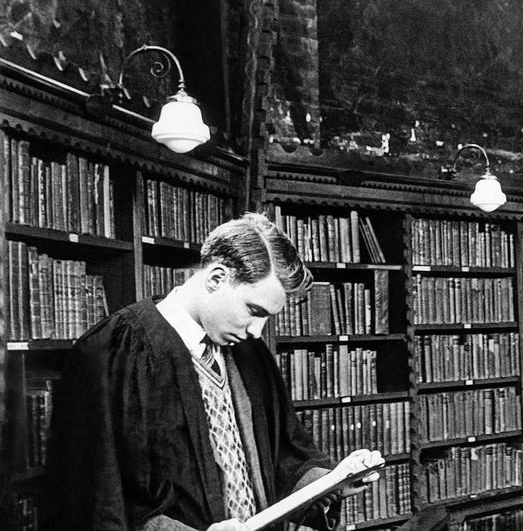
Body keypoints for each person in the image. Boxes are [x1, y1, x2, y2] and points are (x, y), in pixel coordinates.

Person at [41, 213, 381, 531]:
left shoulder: (249, 352)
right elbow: (98, 500)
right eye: (253, 310)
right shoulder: (118, 349)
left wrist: (330, 481)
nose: (257, 331)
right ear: (217, 277)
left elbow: (281, 454)